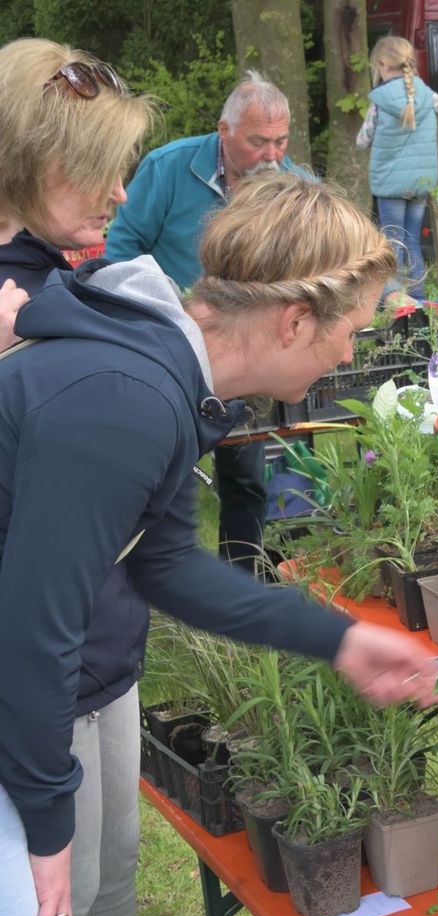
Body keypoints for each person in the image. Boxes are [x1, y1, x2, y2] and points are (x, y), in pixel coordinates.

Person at [1, 169, 438, 916]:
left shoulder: (164, 377)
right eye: (348, 329)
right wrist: (47, 834)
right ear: (293, 319)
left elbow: (166, 566)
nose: (350, 354)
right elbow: (32, 630)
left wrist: (341, 640)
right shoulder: (127, 399)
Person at [0, 38, 154, 916]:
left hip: (107, 640)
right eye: (97, 169)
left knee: (114, 878)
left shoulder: (61, 280)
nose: (120, 193)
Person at [106, 71, 307, 572]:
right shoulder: (169, 168)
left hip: (244, 352)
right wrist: (167, 303)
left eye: (280, 141)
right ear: (224, 130)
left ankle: (241, 578)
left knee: (244, 471)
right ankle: (141, 572)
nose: (272, 155)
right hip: (169, 341)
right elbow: (121, 248)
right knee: (157, 470)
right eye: (258, 141)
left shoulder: (293, 184)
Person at [356, 35, 438, 301]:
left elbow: (362, 140)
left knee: (392, 243)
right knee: (412, 240)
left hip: (390, 185)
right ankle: (420, 299)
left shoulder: (380, 100)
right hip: (420, 182)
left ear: (381, 64)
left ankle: (394, 302)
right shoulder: (425, 93)